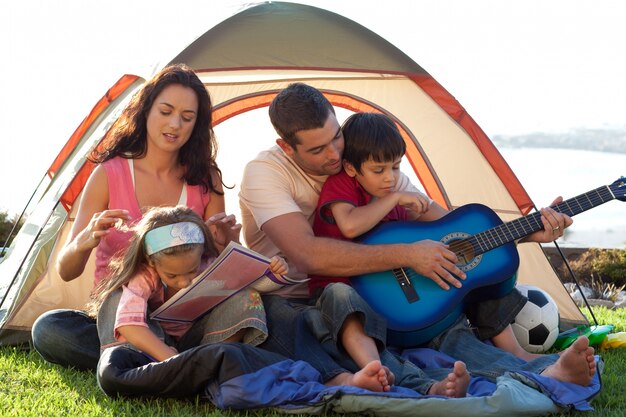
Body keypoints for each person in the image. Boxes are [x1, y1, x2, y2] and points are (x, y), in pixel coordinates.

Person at [239, 82, 596, 388]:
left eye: (336, 138)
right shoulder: (266, 173)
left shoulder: (370, 164)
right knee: (334, 327)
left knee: (449, 324)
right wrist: (409, 254)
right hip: (306, 299)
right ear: (287, 147)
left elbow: (451, 230)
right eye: (318, 150)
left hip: (389, 289)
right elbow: (308, 255)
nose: (335, 154)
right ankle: (418, 386)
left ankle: (544, 372)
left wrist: (527, 232)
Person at [31, 63, 239, 370]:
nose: (175, 124)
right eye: (166, 111)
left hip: (185, 318)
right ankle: (181, 361)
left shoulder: (205, 178)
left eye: (187, 117)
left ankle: (142, 360)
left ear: (197, 124)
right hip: (118, 315)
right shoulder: (108, 173)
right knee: (49, 329)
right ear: (146, 110)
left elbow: (215, 272)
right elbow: (67, 271)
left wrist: (225, 245)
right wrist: (83, 242)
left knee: (256, 307)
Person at [310, 111, 547, 362]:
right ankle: (374, 367)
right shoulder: (345, 184)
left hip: (399, 294)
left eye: (396, 167)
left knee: (480, 275)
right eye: (378, 170)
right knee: (345, 302)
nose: (390, 178)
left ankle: (516, 353)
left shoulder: (399, 202)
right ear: (351, 168)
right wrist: (395, 198)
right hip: (347, 288)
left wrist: (529, 231)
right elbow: (349, 225)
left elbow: (455, 227)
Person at [90, 205, 285, 362]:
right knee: (115, 301)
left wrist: (274, 269)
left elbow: (248, 283)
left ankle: (214, 360)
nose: (183, 282)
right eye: (172, 276)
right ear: (151, 261)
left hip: (201, 341)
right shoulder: (145, 276)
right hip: (157, 346)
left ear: (201, 254)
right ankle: (158, 368)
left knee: (246, 296)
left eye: (192, 270)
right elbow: (128, 325)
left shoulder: (208, 264)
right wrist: (172, 360)